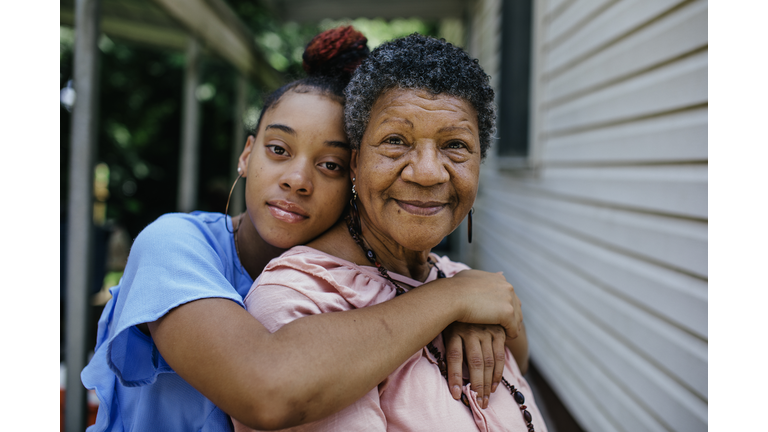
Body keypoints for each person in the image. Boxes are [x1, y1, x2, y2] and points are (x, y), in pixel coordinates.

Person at [81, 27, 527, 432]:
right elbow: (266, 389)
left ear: (354, 176)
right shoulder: (175, 245)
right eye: (278, 149)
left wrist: (471, 314)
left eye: (329, 164)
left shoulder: (371, 276)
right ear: (246, 154)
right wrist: (453, 298)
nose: (298, 179)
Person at [235, 34, 545, 432]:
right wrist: (452, 300)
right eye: (396, 141)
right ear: (355, 163)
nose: (429, 172)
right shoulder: (300, 298)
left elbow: (520, 357)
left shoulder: (462, 283)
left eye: (455, 145)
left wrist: (474, 304)